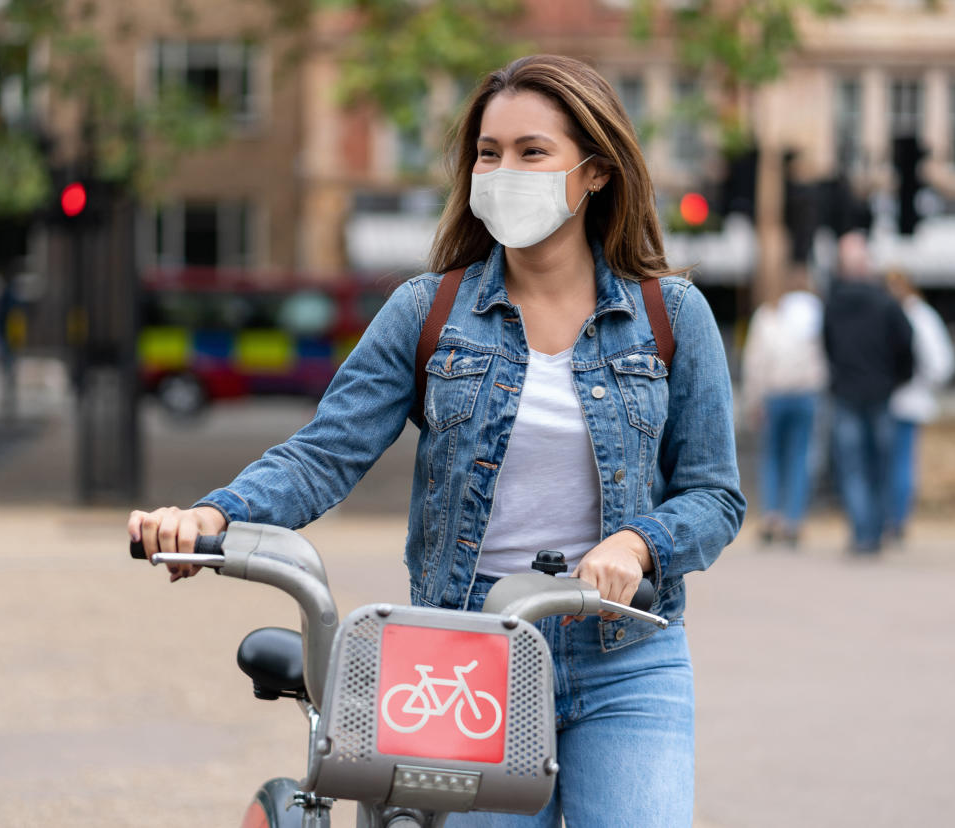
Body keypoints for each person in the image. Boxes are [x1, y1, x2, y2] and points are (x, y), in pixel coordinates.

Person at [129, 54, 744, 827]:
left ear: (595, 173)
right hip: (466, 663)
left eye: (532, 152)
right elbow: (325, 454)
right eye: (490, 153)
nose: (503, 169)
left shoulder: (673, 316)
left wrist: (639, 543)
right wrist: (213, 516)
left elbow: (716, 496)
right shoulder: (427, 311)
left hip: (627, 658)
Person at [821, 232, 914, 554]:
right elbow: (906, 343)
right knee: (880, 465)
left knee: (853, 468)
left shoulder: (833, 304)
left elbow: (827, 346)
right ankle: (874, 531)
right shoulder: (886, 302)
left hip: (847, 392)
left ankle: (862, 532)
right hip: (880, 393)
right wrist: (899, 378)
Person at [741, 265, 827, 546]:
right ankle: (794, 519)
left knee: (771, 457)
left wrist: (753, 399)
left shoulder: (768, 316)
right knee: (799, 456)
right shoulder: (816, 315)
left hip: (773, 394)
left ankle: (771, 516)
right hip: (805, 393)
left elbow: (755, 360)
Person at [883, 268, 955, 542]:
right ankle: (895, 520)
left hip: (900, 399)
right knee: (899, 463)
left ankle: (893, 519)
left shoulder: (917, 316)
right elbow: (942, 364)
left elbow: (939, 364)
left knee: (893, 464)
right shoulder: (921, 316)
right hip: (906, 399)